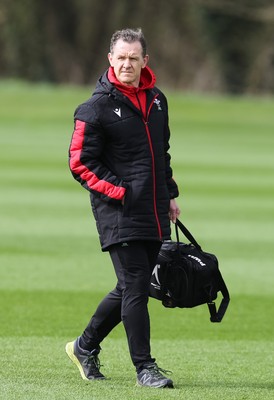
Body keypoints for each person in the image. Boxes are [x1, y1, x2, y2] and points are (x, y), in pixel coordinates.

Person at [66, 28, 180, 389]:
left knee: (133, 286)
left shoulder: (158, 100)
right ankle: (145, 368)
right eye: (121, 57)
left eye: (134, 57)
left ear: (145, 61)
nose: (127, 63)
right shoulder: (95, 107)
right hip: (119, 210)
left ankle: (84, 347)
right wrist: (120, 191)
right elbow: (79, 163)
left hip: (154, 207)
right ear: (110, 60)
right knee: (134, 286)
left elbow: (161, 154)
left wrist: (170, 194)